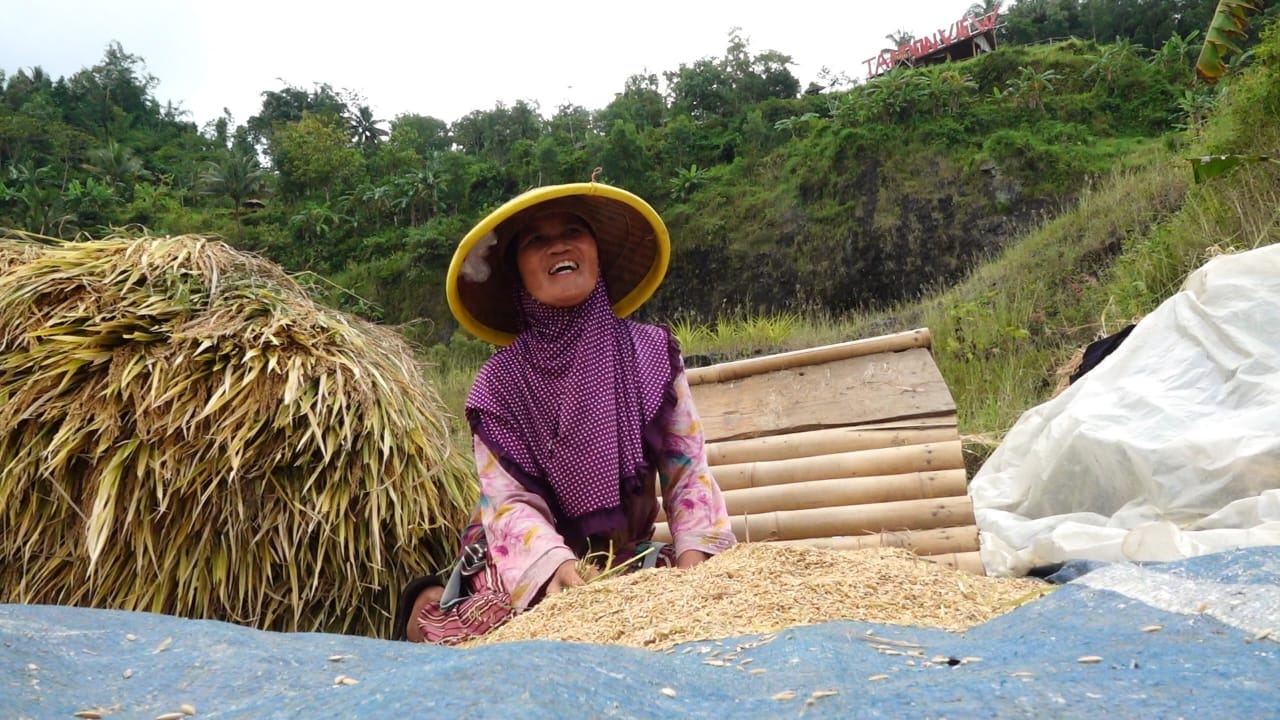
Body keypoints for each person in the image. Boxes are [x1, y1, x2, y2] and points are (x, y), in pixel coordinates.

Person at [394, 179, 737, 644]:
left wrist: (698, 565)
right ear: (517, 272)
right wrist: (555, 567)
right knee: (483, 627)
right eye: (537, 240)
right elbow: (510, 501)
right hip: (526, 563)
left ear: (596, 254)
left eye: (573, 231)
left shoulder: (651, 353)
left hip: (623, 556)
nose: (559, 245)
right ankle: (437, 592)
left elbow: (687, 469)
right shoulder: (498, 383)